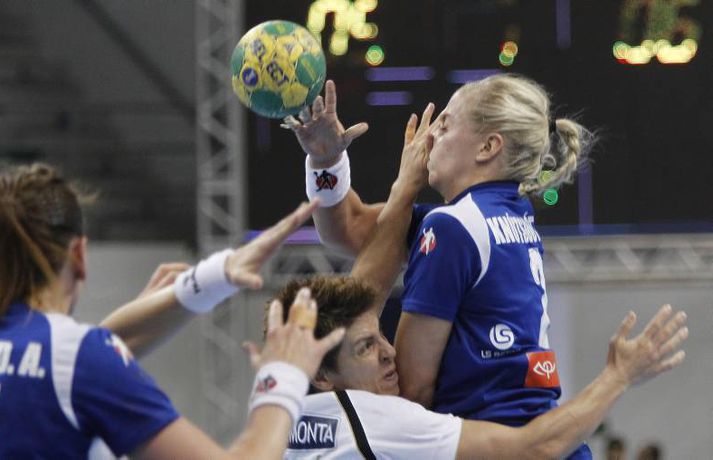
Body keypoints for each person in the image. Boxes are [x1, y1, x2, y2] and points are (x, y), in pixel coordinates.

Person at [274, 109, 688, 459]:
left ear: (489, 147)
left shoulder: (286, 414)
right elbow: (534, 448)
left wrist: (328, 163)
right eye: (367, 347)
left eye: (446, 125)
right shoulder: (386, 419)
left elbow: (357, 260)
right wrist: (618, 376)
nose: (430, 136)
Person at [0, 163, 344, 459]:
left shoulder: (69, 358)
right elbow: (82, 359)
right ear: (79, 255)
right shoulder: (81, 360)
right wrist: (284, 374)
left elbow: (77, 358)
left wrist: (211, 278)